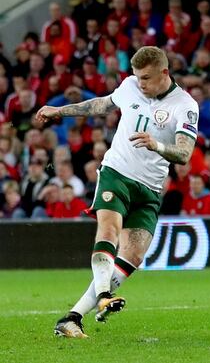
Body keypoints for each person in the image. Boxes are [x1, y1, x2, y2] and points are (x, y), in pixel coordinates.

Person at [38, 46, 199, 338]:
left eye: (147, 78)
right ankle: (102, 297)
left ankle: (71, 318)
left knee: (133, 256)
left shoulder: (185, 106)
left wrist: (157, 146)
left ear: (165, 72)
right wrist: (59, 111)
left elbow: (184, 154)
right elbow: (101, 105)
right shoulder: (129, 86)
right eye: (137, 77)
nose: (141, 84)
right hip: (117, 173)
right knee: (109, 229)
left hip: (150, 188)